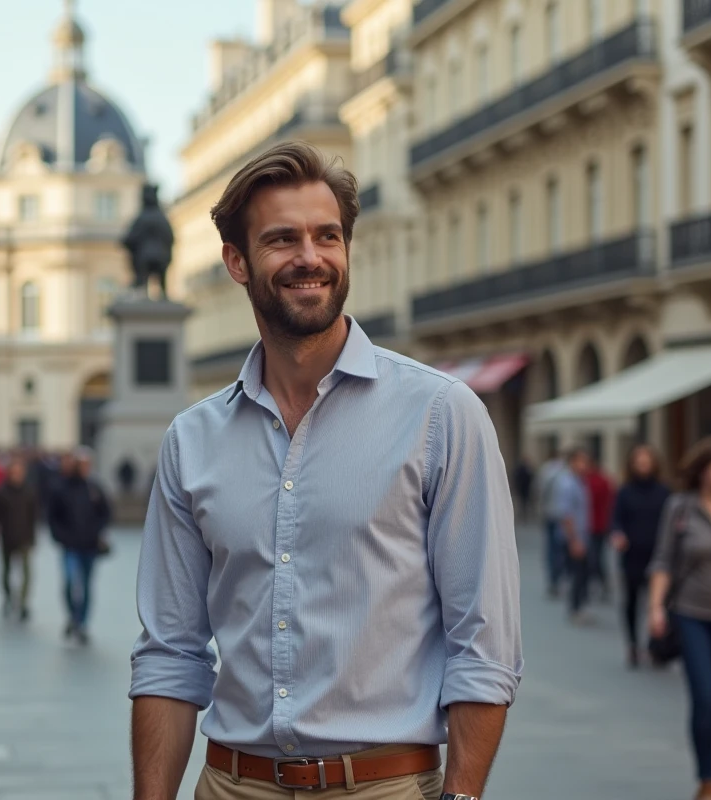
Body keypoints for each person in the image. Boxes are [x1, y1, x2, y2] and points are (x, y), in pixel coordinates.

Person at [129, 143, 522, 800]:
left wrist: (462, 795)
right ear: (236, 261)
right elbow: (170, 652)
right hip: (233, 784)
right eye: (282, 239)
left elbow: (485, 640)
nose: (310, 257)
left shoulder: (440, 414)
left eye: (327, 236)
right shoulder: (191, 440)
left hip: (385, 785)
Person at [649, 437, 711, 800]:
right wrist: (656, 608)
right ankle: (707, 779)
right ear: (703, 469)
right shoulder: (681, 508)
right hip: (692, 615)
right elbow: (663, 561)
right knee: (706, 699)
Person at [610, 444, 671, 668]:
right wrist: (617, 534)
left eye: (647, 461)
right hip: (632, 555)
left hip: (659, 557)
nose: (643, 465)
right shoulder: (625, 491)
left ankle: (656, 645)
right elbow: (616, 519)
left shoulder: (664, 491)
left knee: (658, 602)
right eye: (639, 461)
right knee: (633, 602)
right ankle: (633, 644)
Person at [49, 449, 111, 645]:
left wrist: (97, 530)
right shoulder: (61, 487)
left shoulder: (95, 487)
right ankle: (72, 615)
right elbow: (53, 516)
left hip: (90, 545)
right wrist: (60, 536)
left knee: (85, 585)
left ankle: (81, 622)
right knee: (69, 582)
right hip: (70, 545)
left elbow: (106, 512)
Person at [0, 458, 40, 621]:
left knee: (26, 573)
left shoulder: (30, 491)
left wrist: (33, 537)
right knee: (6, 572)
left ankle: (23, 602)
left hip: (25, 537)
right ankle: (9, 597)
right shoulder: (1, 492)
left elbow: (34, 516)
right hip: (7, 537)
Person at [552, 448, 594, 624]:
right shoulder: (568, 483)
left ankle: (578, 607)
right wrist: (574, 540)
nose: (584, 465)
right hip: (575, 538)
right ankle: (575, 609)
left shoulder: (580, 482)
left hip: (583, 535)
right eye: (580, 461)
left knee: (582, 574)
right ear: (572, 462)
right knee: (577, 575)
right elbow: (566, 515)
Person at [535, 448, 569, 598]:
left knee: (551, 548)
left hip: (549, 513)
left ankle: (553, 580)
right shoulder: (567, 472)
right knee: (559, 548)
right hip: (561, 515)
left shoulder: (546, 469)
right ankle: (558, 577)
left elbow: (539, 490)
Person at [586, 460, 616, 601]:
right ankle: (601, 583)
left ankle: (599, 583)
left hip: (595, 525)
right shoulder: (604, 480)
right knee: (597, 557)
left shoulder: (592, 482)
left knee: (595, 558)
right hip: (599, 525)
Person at [513, 457, 533, 523]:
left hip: (525, 488)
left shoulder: (527, 469)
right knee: (523, 502)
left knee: (524, 502)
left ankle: (524, 513)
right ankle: (523, 513)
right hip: (523, 488)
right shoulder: (522, 470)